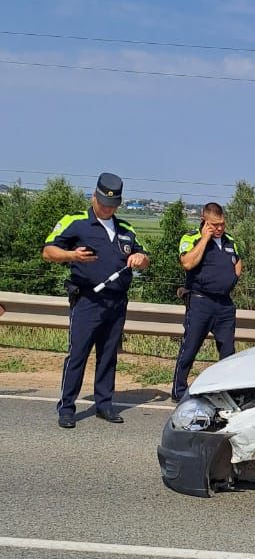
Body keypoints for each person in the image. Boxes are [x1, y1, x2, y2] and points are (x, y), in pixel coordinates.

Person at [42, 172, 150, 429]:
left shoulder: (126, 229)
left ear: (118, 205)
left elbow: (144, 257)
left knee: (109, 355)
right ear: (94, 197)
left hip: (116, 302)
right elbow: (48, 251)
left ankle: (104, 403)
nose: (106, 208)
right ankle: (67, 407)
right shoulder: (76, 221)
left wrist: (140, 260)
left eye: (112, 205)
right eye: (103, 203)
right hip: (88, 299)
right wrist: (71, 255)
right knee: (78, 354)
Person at [171, 202, 243, 402]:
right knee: (190, 347)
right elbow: (187, 263)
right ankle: (179, 391)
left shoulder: (230, 241)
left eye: (222, 224)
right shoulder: (191, 238)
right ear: (204, 221)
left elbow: (238, 262)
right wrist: (205, 238)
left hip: (225, 305)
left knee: (228, 352)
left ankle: (227, 391)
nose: (219, 228)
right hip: (200, 302)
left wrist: (231, 279)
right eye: (214, 224)